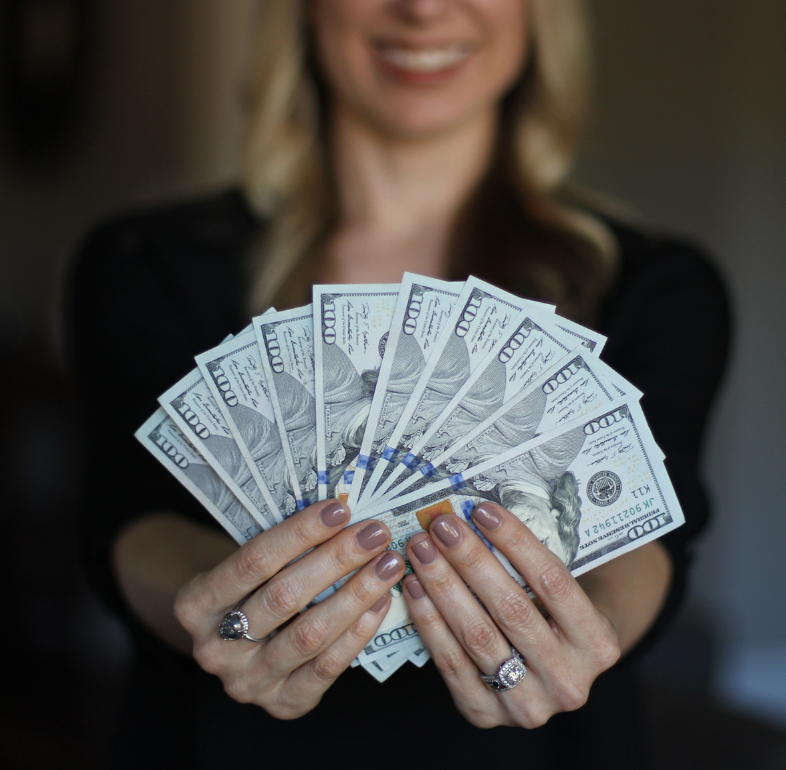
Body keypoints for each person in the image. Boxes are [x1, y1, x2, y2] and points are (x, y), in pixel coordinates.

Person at [68, 1, 731, 768]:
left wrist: (591, 625)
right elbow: (129, 515)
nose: (421, 8)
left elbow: (651, 532)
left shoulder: (656, 285)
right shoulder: (144, 262)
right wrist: (225, 604)